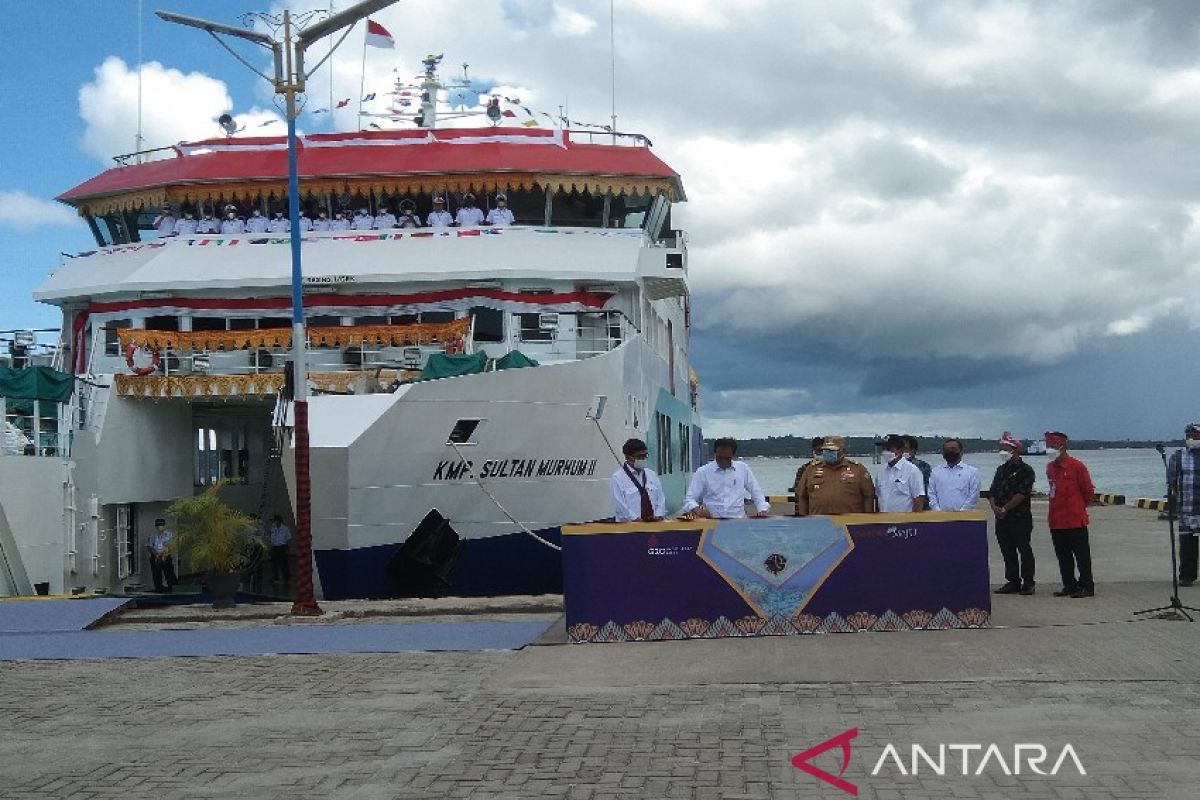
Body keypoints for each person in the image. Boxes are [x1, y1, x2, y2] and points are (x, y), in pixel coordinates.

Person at [1045, 431, 1095, 598]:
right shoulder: (1050, 467)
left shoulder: (1077, 466)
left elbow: (1088, 491)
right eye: (1048, 446)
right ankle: (1069, 584)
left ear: (1062, 446)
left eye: (1052, 446)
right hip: (1056, 519)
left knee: (1081, 556)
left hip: (1074, 519)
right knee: (1063, 556)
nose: (1049, 449)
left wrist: (1078, 507)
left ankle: (1087, 586)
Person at [989, 431, 1036, 595]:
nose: (1001, 452)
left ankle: (1028, 582)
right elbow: (993, 491)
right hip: (1001, 519)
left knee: (1024, 550)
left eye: (1005, 449)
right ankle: (1012, 581)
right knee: (1007, 551)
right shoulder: (1000, 470)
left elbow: (1022, 494)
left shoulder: (1026, 470)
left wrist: (1005, 508)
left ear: (1015, 450)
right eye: (1000, 449)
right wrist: (995, 507)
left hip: (1020, 518)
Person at [679, 438, 770, 520]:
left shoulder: (743, 468)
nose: (723, 461)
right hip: (711, 521)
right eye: (719, 458)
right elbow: (689, 499)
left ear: (733, 455)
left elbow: (756, 491)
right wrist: (697, 509)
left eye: (727, 458)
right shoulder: (703, 472)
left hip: (738, 520)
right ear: (714, 454)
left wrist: (762, 509)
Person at [795, 435, 876, 516]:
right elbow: (801, 496)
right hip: (818, 523)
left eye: (832, 450)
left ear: (843, 451)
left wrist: (867, 521)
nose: (828, 452)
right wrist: (804, 521)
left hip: (850, 524)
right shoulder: (810, 470)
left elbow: (869, 496)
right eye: (825, 450)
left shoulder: (858, 469)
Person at [1169, 422, 1200, 587]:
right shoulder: (1178, 456)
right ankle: (1187, 576)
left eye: (1196, 435)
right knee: (1187, 545)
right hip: (1188, 508)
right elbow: (1173, 482)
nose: (1192, 438)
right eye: (1190, 435)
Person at [610, 438, 666, 522]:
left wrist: (658, 515)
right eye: (639, 456)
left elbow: (661, 499)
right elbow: (620, 506)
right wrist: (636, 520)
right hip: (630, 527)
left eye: (645, 455)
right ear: (628, 457)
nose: (643, 459)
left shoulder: (651, 475)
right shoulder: (617, 478)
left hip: (653, 525)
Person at [876, 433, 926, 513]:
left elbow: (919, 499)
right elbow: (878, 496)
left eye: (889, 449)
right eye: (883, 448)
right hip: (884, 520)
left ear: (901, 450)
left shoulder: (912, 471)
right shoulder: (881, 471)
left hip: (904, 522)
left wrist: (914, 521)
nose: (885, 452)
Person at [927, 438, 980, 511]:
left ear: (961, 452)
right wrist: (937, 511)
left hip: (965, 517)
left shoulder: (972, 472)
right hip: (940, 516)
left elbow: (973, 496)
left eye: (953, 449)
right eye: (946, 450)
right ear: (943, 453)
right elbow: (931, 494)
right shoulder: (935, 472)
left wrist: (961, 513)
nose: (950, 452)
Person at [146, 517, 177, 593]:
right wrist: (156, 554)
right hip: (155, 556)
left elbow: (170, 545)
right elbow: (149, 546)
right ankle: (159, 588)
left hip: (165, 555)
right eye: (158, 525)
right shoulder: (152, 536)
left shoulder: (169, 534)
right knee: (156, 574)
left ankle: (173, 588)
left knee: (169, 572)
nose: (159, 527)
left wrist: (164, 554)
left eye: (161, 525)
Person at [792, 436, 824, 507]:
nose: (821, 454)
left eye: (823, 451)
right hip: (812, 510)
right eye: (818, 451)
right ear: (813, 451)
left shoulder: (837, 469)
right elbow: (798, 495)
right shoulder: (804, 469)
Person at [902, 434, 932, 498]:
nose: (902, 452)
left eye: (905, 449)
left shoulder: (923, 466)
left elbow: (926, 489)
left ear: (913, 450)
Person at [265, 514, 292, 584]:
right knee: (274, 564)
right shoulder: (273, 528)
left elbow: (288, 539)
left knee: (284, 564)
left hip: (282, 547)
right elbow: (269, 538)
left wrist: (288, 548)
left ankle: (287, 578)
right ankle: (275, 578)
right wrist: (269, 548)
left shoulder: (285, 528)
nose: (274, 522)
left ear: (279, 521)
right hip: (274, 547)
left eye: (275, 521)